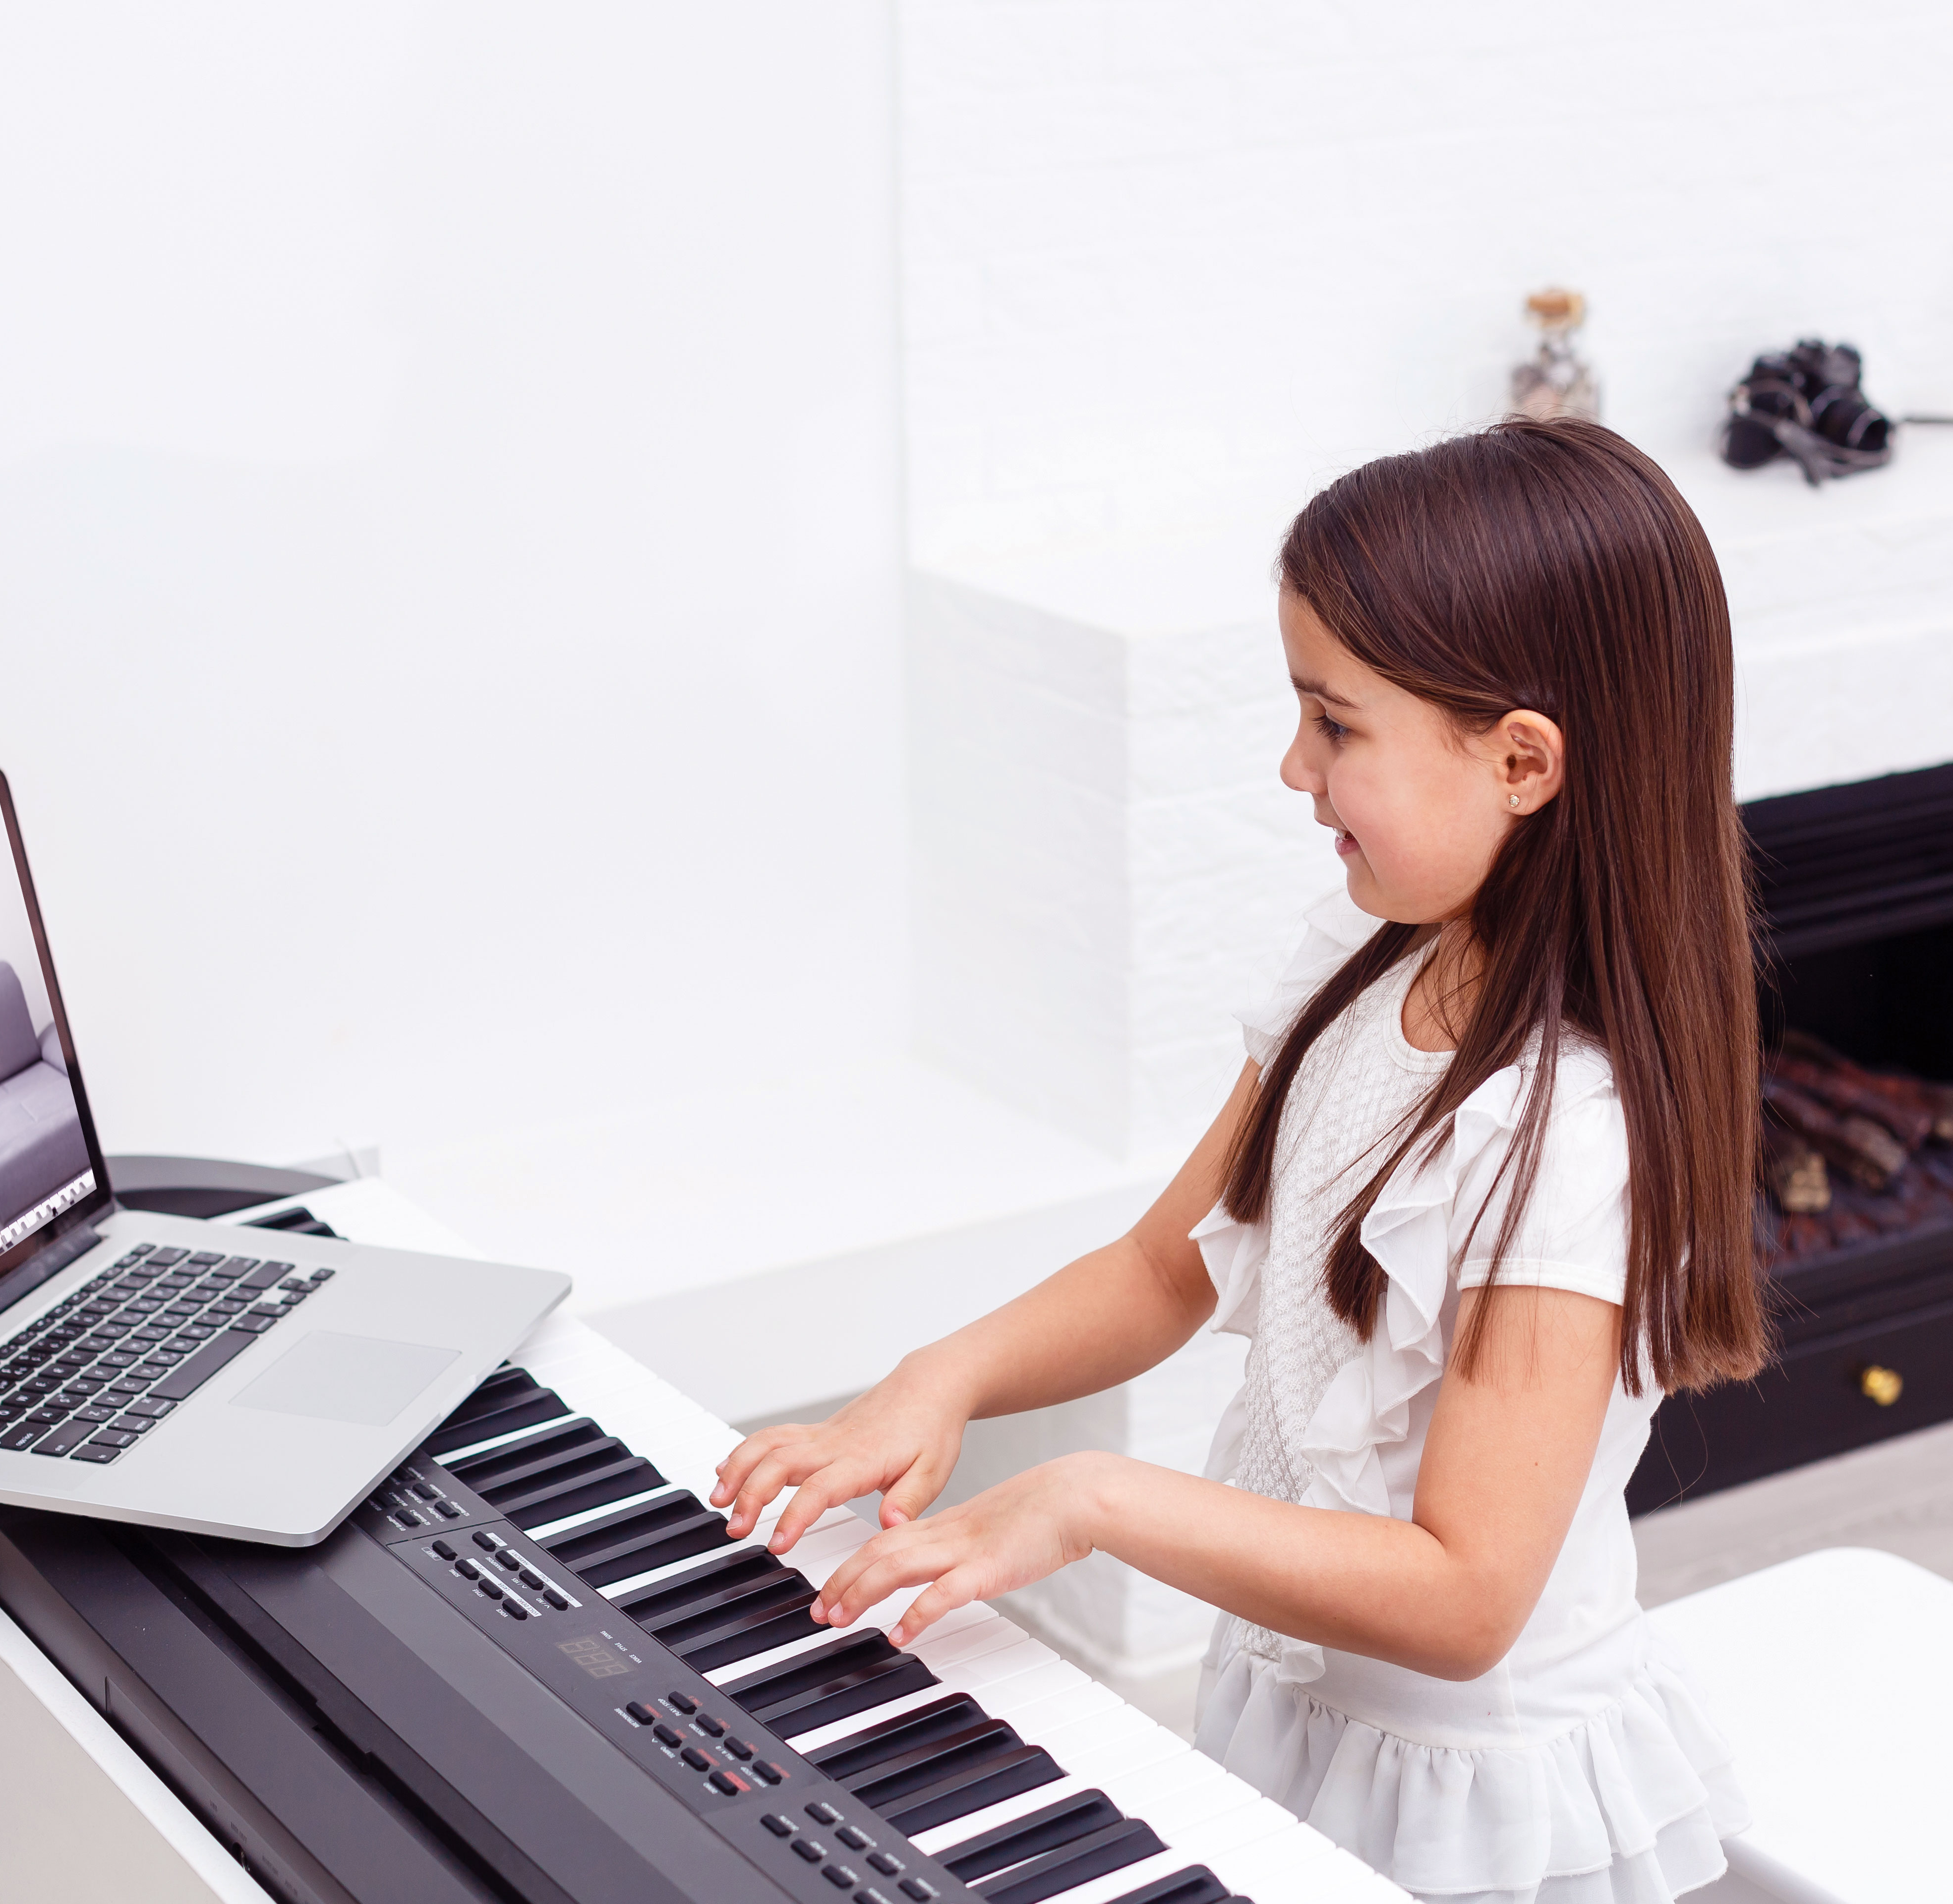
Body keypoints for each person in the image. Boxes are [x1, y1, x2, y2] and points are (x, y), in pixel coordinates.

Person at [712, 418, 1768, 1902]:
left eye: (1336, 724)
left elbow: (1469, 1594)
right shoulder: (1368, 950)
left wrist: (1088, 1493)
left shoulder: (1567, 1132)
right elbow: (1169, 1263)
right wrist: (940, 1373)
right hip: (1295, 1697)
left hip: (1471, 1800)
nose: (1294, 765)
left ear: (1522, 760)